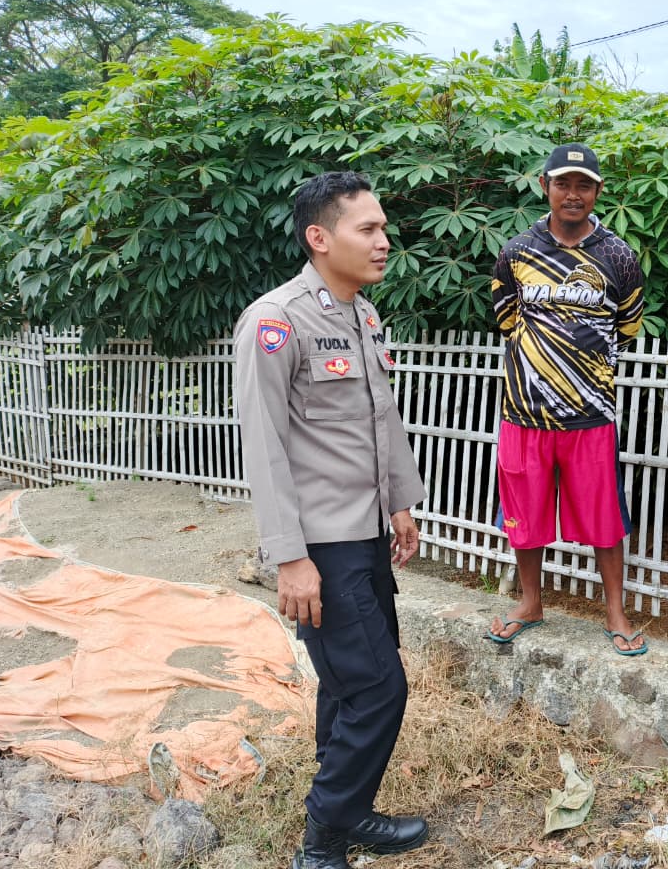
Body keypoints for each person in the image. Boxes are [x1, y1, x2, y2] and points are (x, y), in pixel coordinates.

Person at [234, 171, 431, 868]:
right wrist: (289, 557)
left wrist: (399, 502)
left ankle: (349, 817)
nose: (384, 241)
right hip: (320, 545)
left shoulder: (360, 316)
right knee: (380, 688)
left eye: (384, 228)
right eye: (367, 229)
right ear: (319, 237)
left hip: (366, 533)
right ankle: (322, 840)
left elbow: (380, 422)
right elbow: (263, 447)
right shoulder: (276, 321)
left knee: (350, 685)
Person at [487, 143, 648, 655]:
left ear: (598, 191)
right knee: (524, 516)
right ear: (545, 186)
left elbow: (627, 325)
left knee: (604, 518)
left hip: (590, 412)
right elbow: (506, 318)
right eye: (563, 183)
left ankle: (616, 612)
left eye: (583, 185)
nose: (572, 194)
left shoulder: (619, 256)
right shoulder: (516, 252)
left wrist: (581, 367)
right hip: (524, 411)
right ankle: (530, 603)